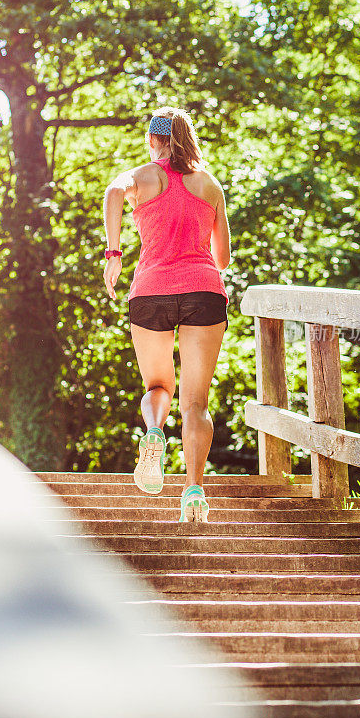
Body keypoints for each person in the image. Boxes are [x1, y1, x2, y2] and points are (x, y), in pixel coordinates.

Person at [103, 107, 230, 522]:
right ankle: (193, 492)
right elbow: (223, 258)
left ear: (154, 140)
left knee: (158, 386)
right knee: (196, 403)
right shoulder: (209, 184)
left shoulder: (142, 176)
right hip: (203, 289)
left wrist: (115, 254)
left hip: (151, 290)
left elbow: (113, 192)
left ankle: (154, 431)